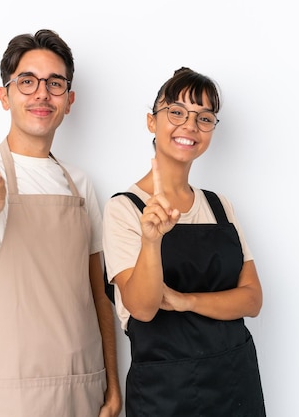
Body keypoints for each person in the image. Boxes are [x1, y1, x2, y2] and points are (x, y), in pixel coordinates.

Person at [0, 29, 121, 417]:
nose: (41, 93)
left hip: (81, 388)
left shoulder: (80, 184)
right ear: (4, 95)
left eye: (54, 83)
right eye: (26, 81)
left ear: (69, 100)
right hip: (3, 394)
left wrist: (112, 382)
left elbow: (98, 294)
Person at [102, 67, 265, 416]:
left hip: (235, 380)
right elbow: (143, 308)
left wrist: (186, 301)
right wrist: (150, 241)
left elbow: (252, 299)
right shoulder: (124, 209)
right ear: (151, 121)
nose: (190, 125)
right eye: (176, 112)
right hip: (166, 393)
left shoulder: (220, 206)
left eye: (204, 118)